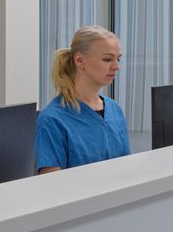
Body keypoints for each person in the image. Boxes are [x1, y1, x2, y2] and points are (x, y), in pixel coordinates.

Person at [36, 25, 131, 173]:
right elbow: (52, 186)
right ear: (79, 60)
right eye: (107, 59)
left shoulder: (114, 110)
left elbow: (126, 168)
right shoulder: (52, 120)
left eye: (118, 59)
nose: (116, 66)